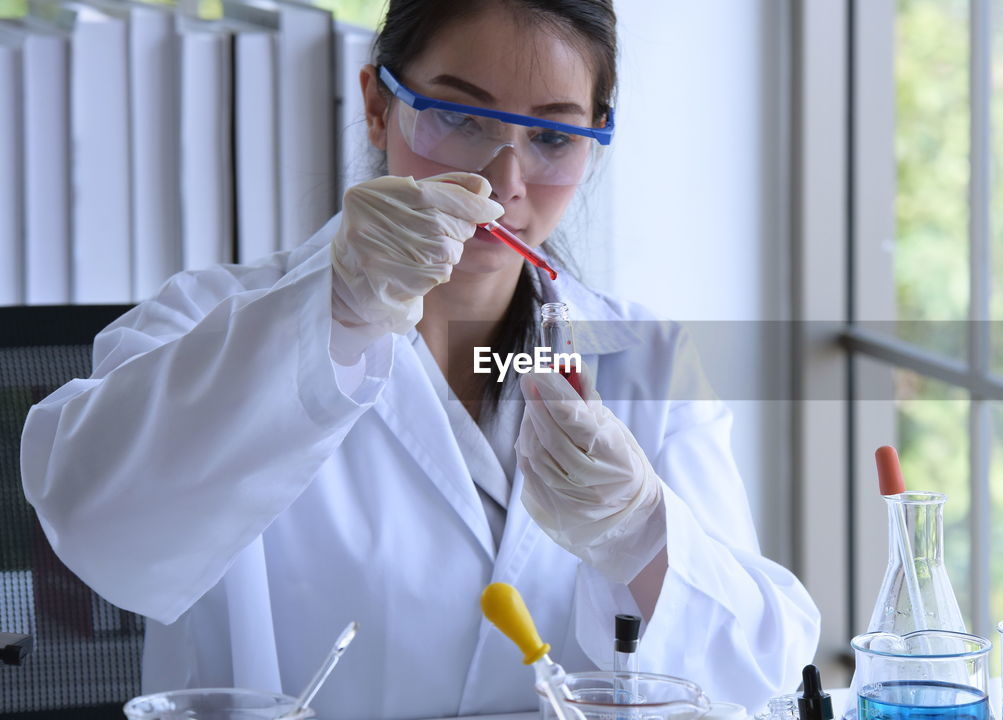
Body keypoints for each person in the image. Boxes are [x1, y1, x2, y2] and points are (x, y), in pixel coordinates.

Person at [20, 1, 820, 718]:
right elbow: (94, 521)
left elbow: (762, 671)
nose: (504, 182)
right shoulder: (209, 319)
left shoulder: (648, 361)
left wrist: (645, 534)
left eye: (550, 135)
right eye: (460, 119)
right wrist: (330, 313)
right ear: (377, 106)